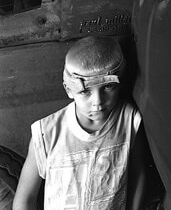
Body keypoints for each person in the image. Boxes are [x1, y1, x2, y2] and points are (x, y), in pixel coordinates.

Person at [13, 36, 147, 210]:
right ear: (69, 89)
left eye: (108, 87)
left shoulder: (129, 119)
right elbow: (25, 200)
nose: (98, 102)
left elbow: (140, 174)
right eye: (85, 92)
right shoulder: (46, 132)